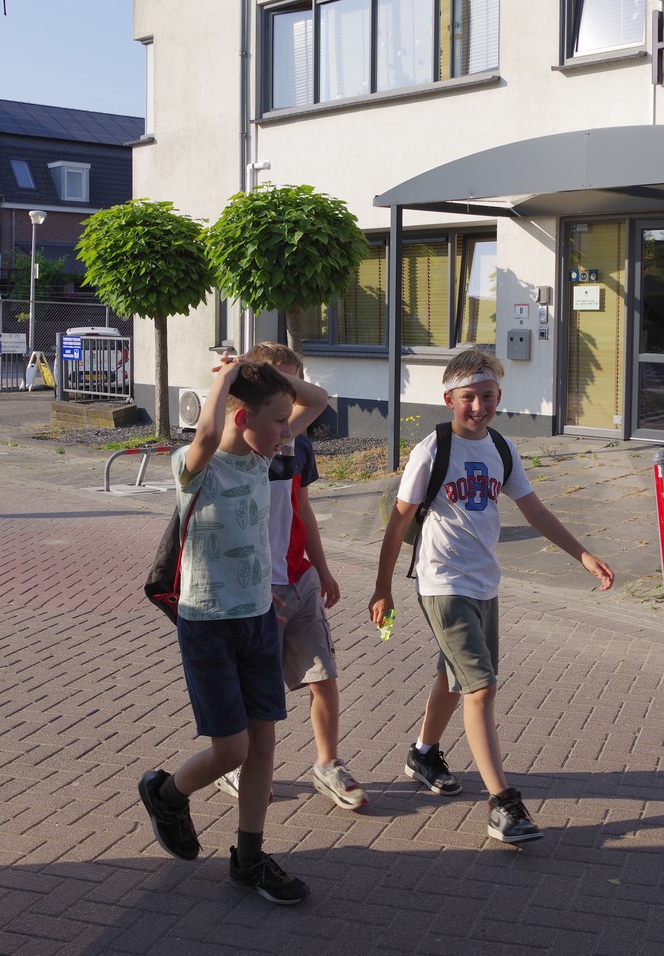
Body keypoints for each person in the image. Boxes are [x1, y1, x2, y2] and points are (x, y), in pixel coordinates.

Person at [370, 349, 614, 844]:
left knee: (455, 673)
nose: (478, 406)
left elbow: (534, 510)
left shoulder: (501, 448)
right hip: (442, 582)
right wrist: (382, 587)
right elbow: (399, 521)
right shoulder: (432, 451)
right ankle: (503, 804)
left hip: (485, 583)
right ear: (448, 400)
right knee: (480, 688)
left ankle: (423, 753)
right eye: (468, 397)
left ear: (499, 396)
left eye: (487, 396)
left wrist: (583, 555)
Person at [138, 355, 328, 904]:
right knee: (232, 750)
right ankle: (168, 794)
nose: (286, 431)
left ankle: (249, 859)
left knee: (263, 743)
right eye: (277, 420)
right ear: (243, 420)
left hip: (258, 619)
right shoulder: (195, 466)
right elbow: (206, 434)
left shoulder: (262, 459)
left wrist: (259, 374)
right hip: (208, 625)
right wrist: (224, 380)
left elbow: (315, 400)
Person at [212, 343, 368, 810]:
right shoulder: (240, 445)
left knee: (323, 677)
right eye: (276, 386)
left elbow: (302, 506)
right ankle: (240, 767)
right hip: (257, 586)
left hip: (298, 579)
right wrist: (241, 375)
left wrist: (322, 567)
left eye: (291, 387)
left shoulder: (294, 440)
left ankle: (328, 764)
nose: (288, 405)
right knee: (257, 690)